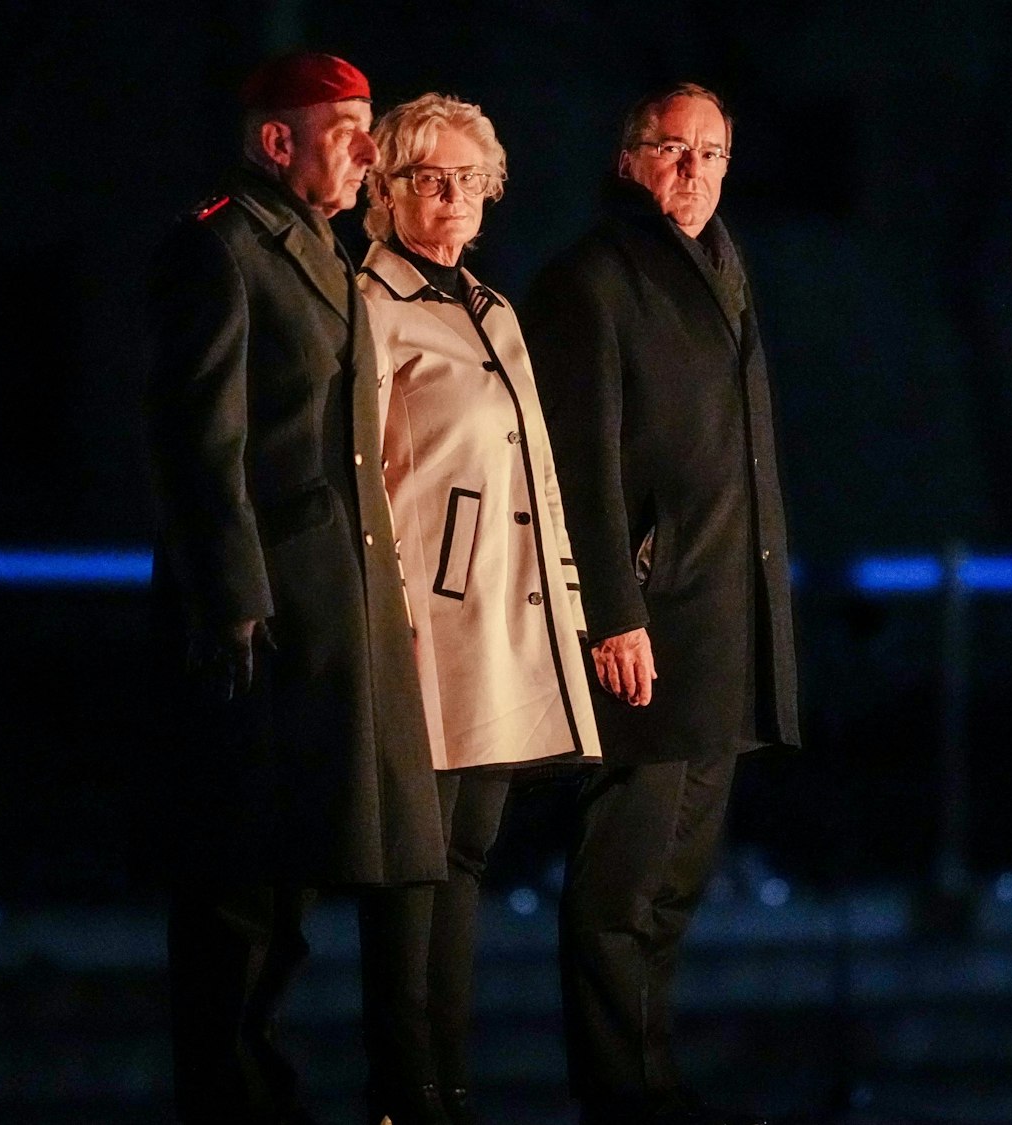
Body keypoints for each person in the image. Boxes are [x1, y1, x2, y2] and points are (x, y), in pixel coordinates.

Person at [143, 52, 444, 1125]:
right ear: (279, 143)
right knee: (240, 885)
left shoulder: (316, 245)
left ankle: (259, 1091)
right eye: (347, 127)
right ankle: (228, 1099)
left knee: (290, 875)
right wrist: (230, 601)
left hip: (330, 604)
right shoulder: (224, 248)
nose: (370, 149)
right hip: (266, 615)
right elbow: (201, 448)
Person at [521, 83, 801, 1125]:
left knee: (677, 879)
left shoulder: (721, 267)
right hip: (649, 619)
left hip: (720, 613)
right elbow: (580, 464)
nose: (692, 175)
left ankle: (648, 1078)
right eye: (672, 152)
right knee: (619, 883)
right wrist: (612, 608)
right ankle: (616, 1089)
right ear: (628, 155)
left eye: (712, 155)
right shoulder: (593, 279)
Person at [353, 93, 604, 1125]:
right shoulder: (371, 305)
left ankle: (445, 1088)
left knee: (464, 860)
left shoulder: (489, 308)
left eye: (470, 180)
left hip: (503, 625)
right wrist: (391, 616)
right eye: (428, 178)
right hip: (423, 629)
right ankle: (403, 1094)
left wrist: (572, 610)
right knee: (408, 870)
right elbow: (363, 478)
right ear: (384, 188)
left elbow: (537, 475)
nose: (452, 197)